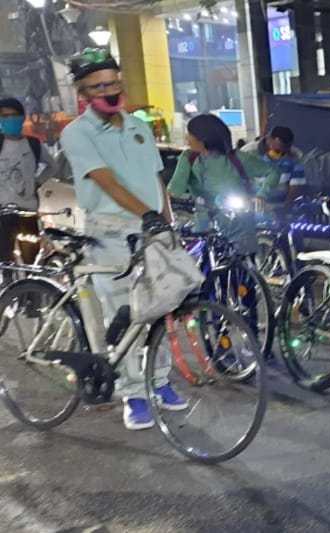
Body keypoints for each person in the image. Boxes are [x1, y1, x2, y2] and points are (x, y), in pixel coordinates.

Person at [59, 48, 186, 431]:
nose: (110, 91)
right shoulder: (76, 133)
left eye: (114, 82)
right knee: (125, 314)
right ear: (83, 94)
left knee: (160, 306)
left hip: (152, 231)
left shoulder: (137, 126)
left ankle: (159, 381)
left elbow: (155, 178)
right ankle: (132, 393)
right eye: (99, 86)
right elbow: (105, 180)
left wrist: (166, 222)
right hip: (110, 232)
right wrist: (145, 215)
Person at [168, 114, 274, 255]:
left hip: (239, 226)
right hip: (205, 226)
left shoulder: (237, 158)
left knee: (242, 269)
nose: (187, 138)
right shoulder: (189, 158)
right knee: (204, 269)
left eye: (190, 134)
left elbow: (272, 171)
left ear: (202, 138)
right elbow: (176, 189)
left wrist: (262, 194)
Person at [0, 96, 53, 269]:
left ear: (22, 117)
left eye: (14, 115)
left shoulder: (33, 144)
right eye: (4, 116)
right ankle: (9, 293)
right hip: (3, 213)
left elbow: (53, 166)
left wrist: (37, 182)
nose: (9, 119)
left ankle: (32, 293)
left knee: (32, 262)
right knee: (5, 262)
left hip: (28, 212)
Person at [241, 125, 305, 211]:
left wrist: (286, 207)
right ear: (268, 140)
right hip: (253, 203)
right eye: (277, 151)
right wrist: (249, 200)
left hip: (280, 204)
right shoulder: (247, 152)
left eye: (284, 153)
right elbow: (240, 178)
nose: (280, 156)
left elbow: (296, 184)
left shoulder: (295, 155)